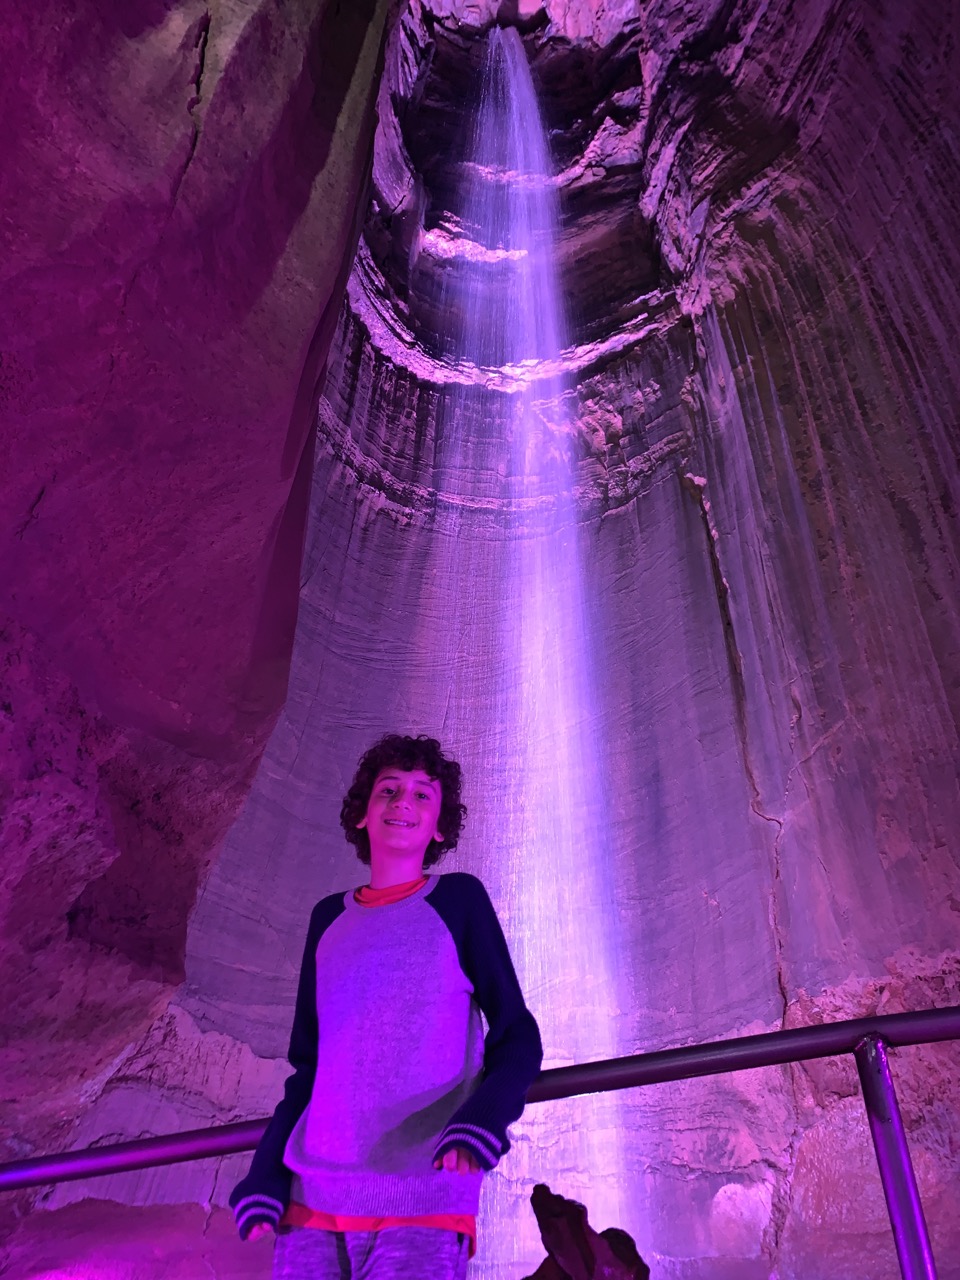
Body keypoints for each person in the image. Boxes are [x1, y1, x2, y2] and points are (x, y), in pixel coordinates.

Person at [229, 733, 543, 1279]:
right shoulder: (328, 919)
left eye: (424, 794)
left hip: (423, 1194)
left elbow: (517, 1034)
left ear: (441, 827)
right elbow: (308, 1068)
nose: (404, 802)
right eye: (389, 790)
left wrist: (482, 1121)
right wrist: (267, 1174)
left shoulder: (459, 901)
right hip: (312, 1200)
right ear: (361, 816)